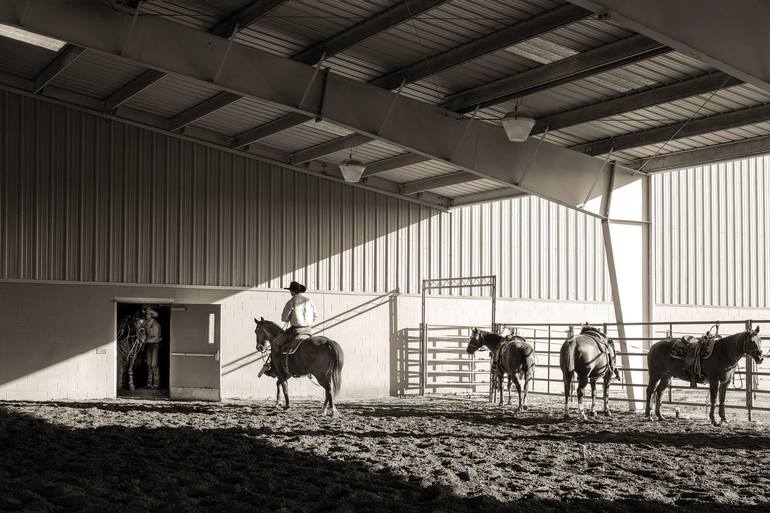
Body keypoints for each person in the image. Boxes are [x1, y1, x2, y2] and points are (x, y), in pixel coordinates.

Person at [265, 281, 318, 377]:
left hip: (296, 331)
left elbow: (284, 319)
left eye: (290, 291)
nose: (290, 292)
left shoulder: (291, 301)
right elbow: (315, 316)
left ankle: (274, 369)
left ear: (293, 291)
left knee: (275, 343)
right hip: (309, 331)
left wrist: (290, 318)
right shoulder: (309, 301)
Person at [142, 306, 162, 390]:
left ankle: (156, 384)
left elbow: (156, 337)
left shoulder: (156, 324)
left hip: (155, 345)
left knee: (154, 364)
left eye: (148, 314)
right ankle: (149, 384)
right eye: (146, 313)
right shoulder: (146, 324)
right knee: (149, 364)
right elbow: (145, 334)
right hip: (149, 345)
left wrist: (145, 340)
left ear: (152, 315)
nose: (146, 315)